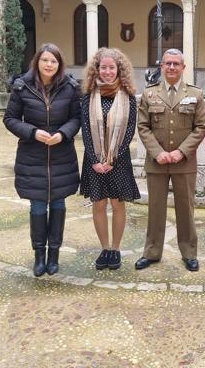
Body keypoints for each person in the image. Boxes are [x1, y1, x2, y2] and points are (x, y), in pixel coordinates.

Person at [3, 43, 81, 277]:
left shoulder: (70, 87)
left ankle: (54, 255)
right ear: (37, 61)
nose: (49, 65)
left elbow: (77, 118)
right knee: (37, 205)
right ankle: (39, 255)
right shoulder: (22, 87)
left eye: (54, 61)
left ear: (59, 64)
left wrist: (63, 133)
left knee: (58, 204)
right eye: (45, 60)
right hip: (32, 155)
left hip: (61, 155)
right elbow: (10, 119)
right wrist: (32, 132)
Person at [136, 48, 205, 272]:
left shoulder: (195, 94)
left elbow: (201, 127)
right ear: (162, 67)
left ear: (183, 67)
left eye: (176, 64)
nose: (172, 67)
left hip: (184, 163)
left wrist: (180, 152)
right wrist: (158, 152)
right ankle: (152, 252)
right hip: (157, 162)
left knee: (186, 209)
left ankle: (189, 253)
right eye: (168, 63)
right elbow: (143, 126)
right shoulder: (149, 94)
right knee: (156, 209)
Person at [80, 47, 140, 271]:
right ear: (97, 69)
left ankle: (115, 249)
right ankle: (104, 248)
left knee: (117, 204)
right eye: (103, 67)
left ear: (119, 69)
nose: (107, 71)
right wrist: (96, 160)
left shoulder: (128, 97)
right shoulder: (88, 97)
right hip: (93, 160)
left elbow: (130, 130)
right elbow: (85, 129)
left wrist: (112, 160)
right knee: (98, 204)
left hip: (119, 160)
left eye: (111, 67)